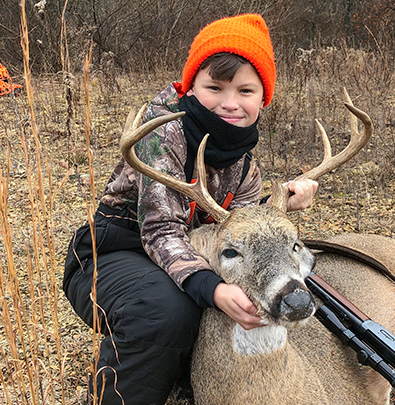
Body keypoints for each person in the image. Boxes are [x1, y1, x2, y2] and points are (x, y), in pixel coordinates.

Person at [62, 14, 318, 405]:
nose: (230, 103)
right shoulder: (162, 134)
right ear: (190, 88)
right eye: (214, 87)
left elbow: (240, 230)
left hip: (188, 251)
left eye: (246, 91)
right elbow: (161, 229)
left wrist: (279, 203)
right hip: (113, 254)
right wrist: (211, 288)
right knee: (168, 310)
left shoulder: (242, 160)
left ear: (263, 98)